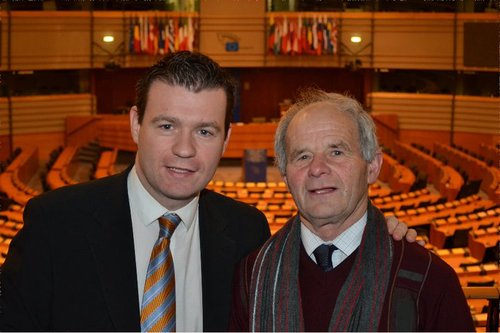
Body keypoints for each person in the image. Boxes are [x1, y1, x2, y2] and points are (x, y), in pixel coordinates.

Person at [0, 52, 415, 332]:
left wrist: (373, 235)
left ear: (226, 137)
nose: (185, 149)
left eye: (204, 131)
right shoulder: (55, 225)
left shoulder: (246, 230)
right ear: (134, 124)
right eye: (166, 126)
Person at [229, 89, 475, 332]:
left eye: (336, 152)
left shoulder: (428, 279)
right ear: (285, 175)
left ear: (372, 166)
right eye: (302, 156)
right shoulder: (252, 275)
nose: (317, 169)